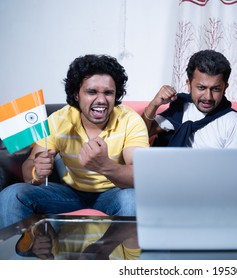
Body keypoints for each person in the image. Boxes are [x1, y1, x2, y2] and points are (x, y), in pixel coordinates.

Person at [0, 54, 150, 228]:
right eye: (91, 92)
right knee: (13, 194)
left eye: (108, 93)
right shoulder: (59, 120)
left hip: (114, 193)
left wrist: (104, 165)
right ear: (76, 94)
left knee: (132, 198)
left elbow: (139, 177)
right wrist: (36, 172)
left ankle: (127, 254)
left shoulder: (130, 120)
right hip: (70, 195)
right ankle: (23, 251)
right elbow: (29, 168)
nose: (101, 100)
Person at [141, 49, 237, 148]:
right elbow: (140, 135)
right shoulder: (181, 108)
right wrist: (154, 104)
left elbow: (232, 163)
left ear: (225, 88)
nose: (208, 97)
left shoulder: (233, 122)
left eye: (215, 89)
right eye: (201, 88)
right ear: (189, 85)